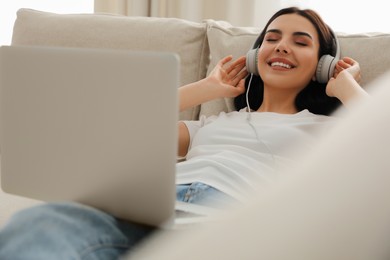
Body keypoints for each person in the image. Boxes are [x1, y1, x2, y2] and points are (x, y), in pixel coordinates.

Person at [0, 6, 369, 260]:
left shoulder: (329, 130)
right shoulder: (211, 125)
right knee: (43, 222)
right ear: (257, 55)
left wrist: (345, 88)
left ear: (322, 66)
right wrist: (208, 90)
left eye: (301, 42)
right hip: (152, 209)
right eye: (271, 38)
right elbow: (117, 125)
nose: (282, 45)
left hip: (227, 223)